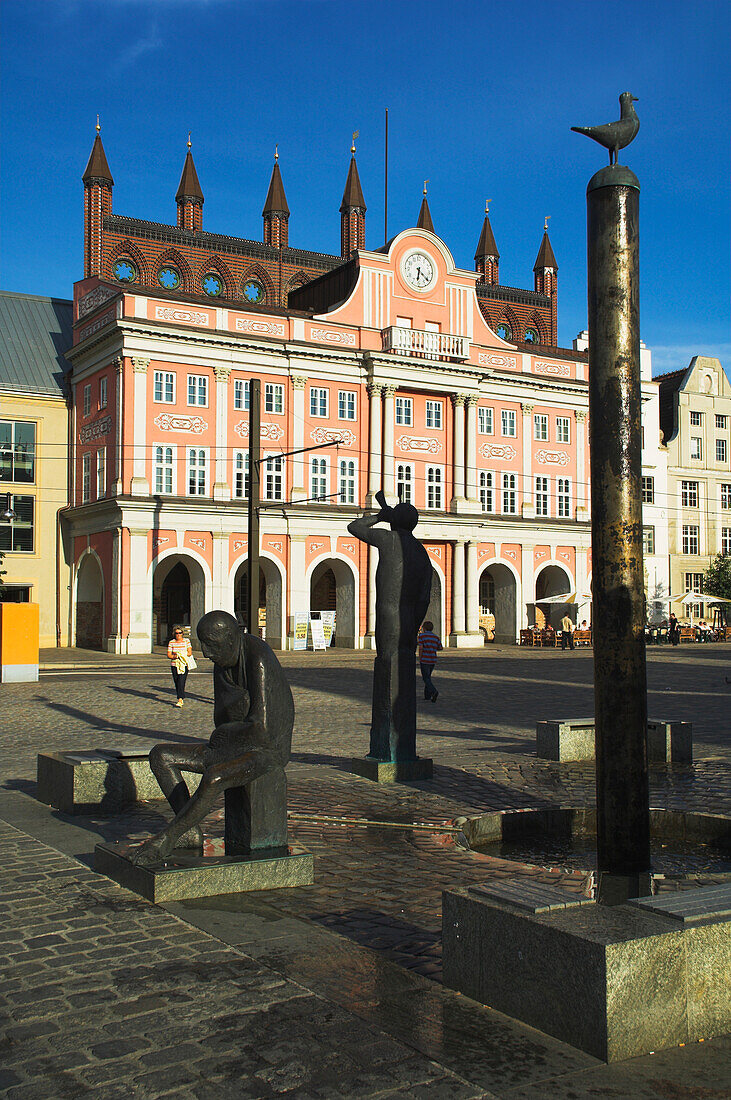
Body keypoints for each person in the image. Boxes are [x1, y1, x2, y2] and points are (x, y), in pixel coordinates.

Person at [133, 610, 294, 866]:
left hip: (266, 750)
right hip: (232, 744)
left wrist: (224, 734)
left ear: (232, 639)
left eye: (212, 646)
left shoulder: (258, 658)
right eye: (204, 645)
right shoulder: (223, 663)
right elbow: (222, 717)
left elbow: (262, 729)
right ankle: (189, 831)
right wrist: (224, 735)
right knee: (161, 757)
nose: (207, 654)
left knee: (214, 777)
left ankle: (167, 839)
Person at [347, 490, 432, 761]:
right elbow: (424, 597)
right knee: (405, 675)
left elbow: (354, 526)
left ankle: (385, 750)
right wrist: (415, 624)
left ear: (394, 521)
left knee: (386, 672)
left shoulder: (388, 539)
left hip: (387, 619)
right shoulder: (421, 553)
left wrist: (379, 516)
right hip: (409, 623)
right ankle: (404, 748)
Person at [167, 626, 193, 707]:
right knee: (177, 681)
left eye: (180, 633)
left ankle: (180, 699)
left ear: (182, 634)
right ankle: (180, 696)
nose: (178, 635)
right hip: (175, 664)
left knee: (181, 681)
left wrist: (182, 654)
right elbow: (169, 655)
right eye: (176, 633)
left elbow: (189, 652)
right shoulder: (171, 642)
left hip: (183, 664)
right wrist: (176, 656)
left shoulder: (186, 641)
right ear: (174, 634)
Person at [417, 620, 442, 702]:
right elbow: (440, 648)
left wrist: (420, 658)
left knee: (426, 678)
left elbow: (421, 647)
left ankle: (434, 691)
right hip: (433, 659)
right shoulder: (435, 637)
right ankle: (427, 696)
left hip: (425, 659)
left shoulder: (421, 636)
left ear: (424, 628)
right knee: (428, 677)